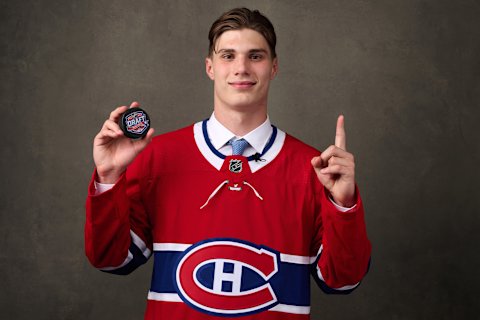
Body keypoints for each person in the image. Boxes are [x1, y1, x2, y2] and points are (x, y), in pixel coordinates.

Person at [85, 7, 371, 320]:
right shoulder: (156, 157)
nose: (242, 68)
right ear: (210, 67)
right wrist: (109, 178)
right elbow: (110, 260)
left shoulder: (316, 168)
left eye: (256, 56)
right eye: (228, 55)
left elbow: (342, 282)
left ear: (274, 67)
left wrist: (343, 206)